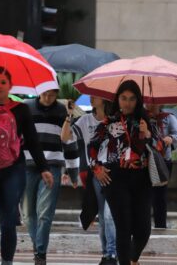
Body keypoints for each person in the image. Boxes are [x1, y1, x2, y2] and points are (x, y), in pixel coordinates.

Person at [0, 67, 54, 265]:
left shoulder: (21, 110)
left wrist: (43, 167)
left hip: (13, 170)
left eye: (3, 82)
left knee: (8, 220)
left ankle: (6, 261)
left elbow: (33, 141)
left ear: (10, 86)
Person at [89, 80, 158, 265]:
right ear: (117, 99)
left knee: (143, 230)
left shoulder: (146, 121)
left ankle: (132, 259)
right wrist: (97, 168)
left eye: (132, 99)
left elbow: (159, 148)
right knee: (123, 228)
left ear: (138, 100)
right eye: (123, 98)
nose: (127, 103)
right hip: (116, 179)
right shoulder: (108, 122)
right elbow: (92, 147)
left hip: (142, 179)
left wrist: (148, 135)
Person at [22, 88, 79, 265]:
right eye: (44, 94)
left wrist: (73, 173)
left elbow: (69, 141)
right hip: (27, 165)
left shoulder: (63, 111)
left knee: (45, 213)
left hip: (52, 165)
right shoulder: (26, 108)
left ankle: (40, 253)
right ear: (38, 92)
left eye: (52, 94)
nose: (47, 98)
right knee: (28, 213)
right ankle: (38, 244)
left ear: (57, 94)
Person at [61, 96, 117, 265]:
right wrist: (68, 116)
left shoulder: (116, 120)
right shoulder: (85, 120)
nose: (92, 98)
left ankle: (112, 253)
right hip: (95, 173)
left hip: (114, 173)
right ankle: (106, 254)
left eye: (96, 95)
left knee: (109, 215)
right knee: (101, 215)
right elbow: (65, 137)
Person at [145, 104, 177, 228]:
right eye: (147, 102)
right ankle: (143, 227)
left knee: (160, 196)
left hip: (162, 161)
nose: (150, 105)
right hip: (144, 162)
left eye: (153, 103)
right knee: (143, 195)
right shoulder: (140, 118)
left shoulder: (168, 118)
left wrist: (171, 138)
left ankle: (160, 226)